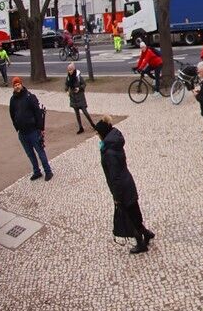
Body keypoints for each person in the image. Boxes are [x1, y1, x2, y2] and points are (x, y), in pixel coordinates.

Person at [93, 118, 155, 255]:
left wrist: (117, 197)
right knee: (134, 213)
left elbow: (115, 177)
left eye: (98, 134)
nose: (97, 136)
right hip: (128, 183)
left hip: (122, 187)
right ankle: (147, 234)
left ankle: (141, 243)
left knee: (130, 217)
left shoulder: (109, 152)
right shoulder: (114, 144)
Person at [9, 77, 53, 181]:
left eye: (18, 84)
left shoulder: (30, 96)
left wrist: (41, 128)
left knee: (40, 152)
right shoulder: (12, 99)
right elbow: (12, 114)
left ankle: (48, 171)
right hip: (22, 133)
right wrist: (17, 127)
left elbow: (38, 113)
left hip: (33, 131)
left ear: (21, 84)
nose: (17, 86)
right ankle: (36, 171)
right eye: (15, 85)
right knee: (30, 154)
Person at [65, 62, 95, 135]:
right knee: (77, 114)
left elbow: (84, 84)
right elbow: (66, 85)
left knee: (85, 112)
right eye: (68, 70)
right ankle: (80, 127)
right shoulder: (68, 77)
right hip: (73, 97)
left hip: (80, 97)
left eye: (71, 70)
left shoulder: (78, 77)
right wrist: (66, 91)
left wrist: (79, 88)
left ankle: (93, 125)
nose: (70, 71)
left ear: (73, 69)